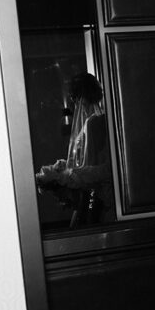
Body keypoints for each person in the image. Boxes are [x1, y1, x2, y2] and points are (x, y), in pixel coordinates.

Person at [36, 72, 112, 228]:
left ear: (80, 99)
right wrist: (65, 167)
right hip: (93, 194)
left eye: (75, 101)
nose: (75, 106)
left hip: (94, 196)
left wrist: (65, 176)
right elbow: (88, 161)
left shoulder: (93, 123)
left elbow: (95, 167)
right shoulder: (94, 122)